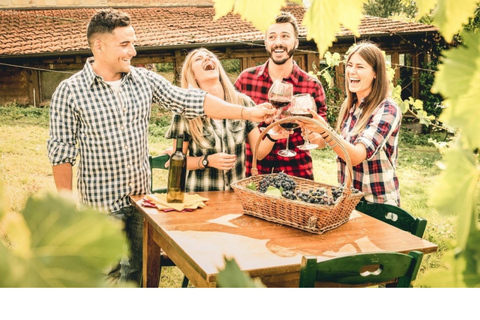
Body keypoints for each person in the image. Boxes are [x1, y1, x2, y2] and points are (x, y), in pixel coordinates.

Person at [46, 8, 274, 287]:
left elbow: (194, 101)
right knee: (104, 276)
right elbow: (61, 152)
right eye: (125, 44)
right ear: (99, 46)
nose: (134, 50)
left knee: (138, 273)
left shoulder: (144, 81)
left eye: (133, 42)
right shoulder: (70, 91)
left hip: (142, 202)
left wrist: (247, 114)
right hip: (101, 206)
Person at [165, 48, 289, 191]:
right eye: (198, 59)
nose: (207, 59)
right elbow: (177, 162)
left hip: (235, 196)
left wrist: (273, 134)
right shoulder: (185, 111)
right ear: (193, 75)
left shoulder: (243, 103)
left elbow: (259, 153)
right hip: (200, 197)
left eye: (210, 56)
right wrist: (207, 161)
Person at [300, 41, 402, 206]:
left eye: (360, 67)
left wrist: (325, 130)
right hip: (348, 201)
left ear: (376, 73)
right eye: (349, 65)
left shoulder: (387, 109)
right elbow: (338, 143)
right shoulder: (350, 106)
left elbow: (355, 156)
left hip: (377, 204)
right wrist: (317, 137)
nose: (351, 71)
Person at [234, 11, 327, 180]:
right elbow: (233, 128)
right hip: (253, 176)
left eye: (285, 36)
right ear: (266, 42)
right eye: (272, 37)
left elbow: (323, 138)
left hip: (298, 176)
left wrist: (316, 136)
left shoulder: (312, 85)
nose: (278, 42)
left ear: (296, 42)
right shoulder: (245, 80)